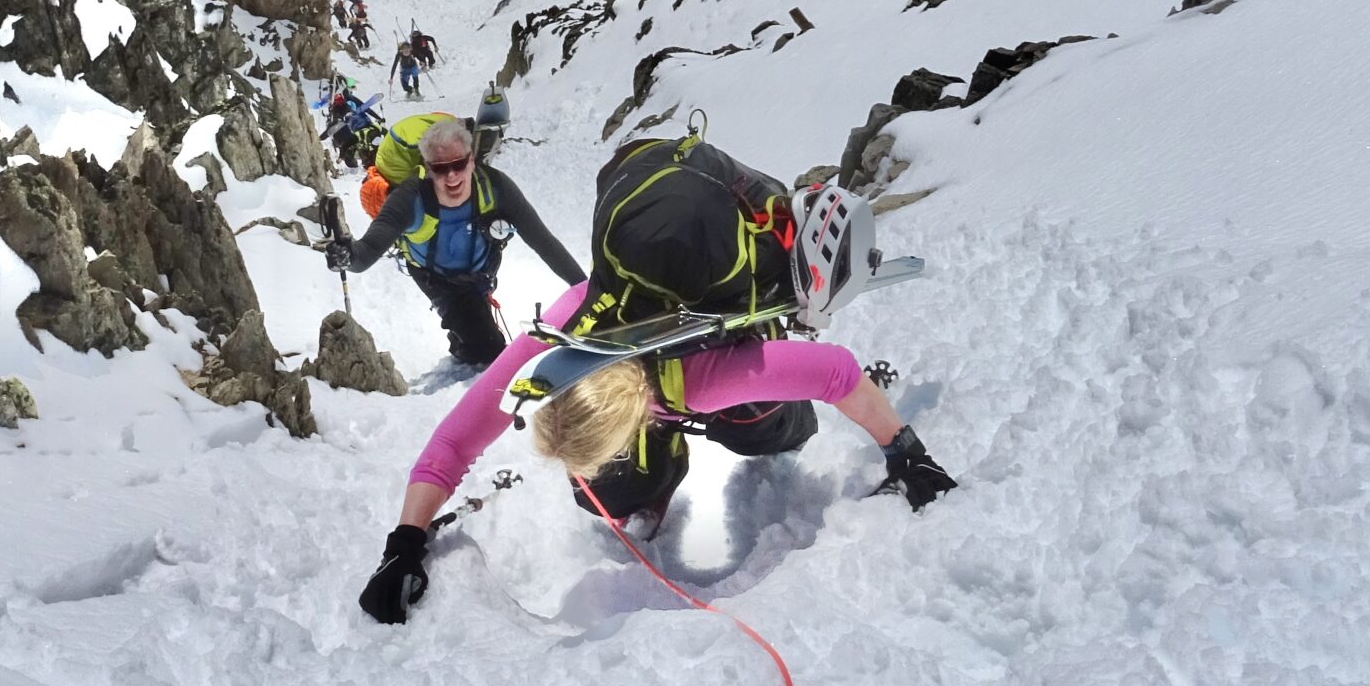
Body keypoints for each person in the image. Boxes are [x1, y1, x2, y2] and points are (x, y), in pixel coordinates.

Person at [353, 133, 952, 623]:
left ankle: (764, 423)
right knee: (605, 497)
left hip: (714, 349)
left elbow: (836, 372)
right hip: (658, 359)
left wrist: (905, 450)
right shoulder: (563, 329)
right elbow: (454, 442)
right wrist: (404, 542)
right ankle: (659, 471)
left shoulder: (699, 382)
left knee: (766, 428)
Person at [326, 116, 582, 370]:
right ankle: (465, 346)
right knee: (487, 349)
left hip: (481, 271)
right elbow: (368, 251)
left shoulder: (495, 187)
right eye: (440, 168)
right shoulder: (409, 198)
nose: (451, 176)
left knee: (475, 318)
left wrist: (585, 289)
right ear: (427, 166)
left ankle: (465, 328)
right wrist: (349, 255)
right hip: (436, 278)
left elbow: (543, 241)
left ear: (472, 160)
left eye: (459, 164)